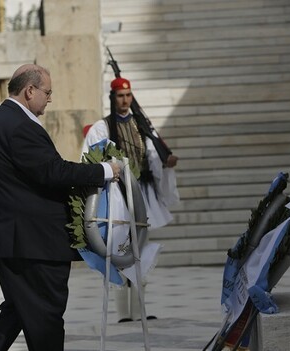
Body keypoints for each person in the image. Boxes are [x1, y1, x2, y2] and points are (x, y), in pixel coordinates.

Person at [0, 64, 122, 351]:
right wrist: (104, 170)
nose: (50, 99)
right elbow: (53, 172)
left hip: (10, 240)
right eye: (47, 92)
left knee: (17, 311)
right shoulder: (20, 126)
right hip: (33, 244)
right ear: (30, 91)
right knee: (45, 319)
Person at [82, 76, 180, 322]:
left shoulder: (142, 126)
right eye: (120, 96)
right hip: (117, 196)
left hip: (141, 195)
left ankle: (139, 311)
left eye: (128, 95)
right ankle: (124, 312)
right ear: (113, 98)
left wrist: (167, 164)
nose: (124, 100)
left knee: (141, 250)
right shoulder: (102, 128)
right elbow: (90, 158)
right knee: (119, 249)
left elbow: (155, 158)